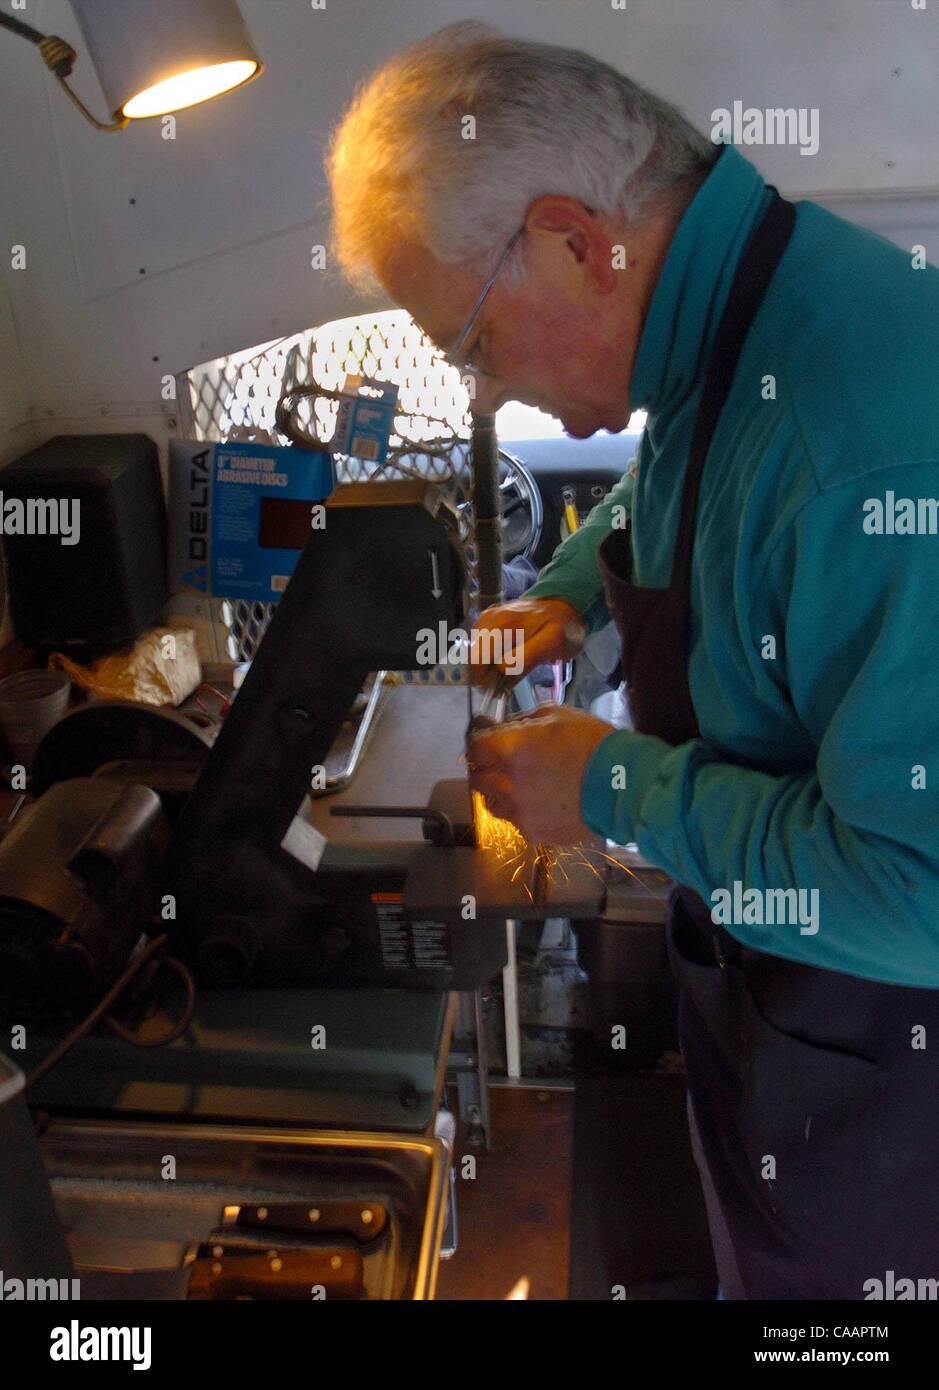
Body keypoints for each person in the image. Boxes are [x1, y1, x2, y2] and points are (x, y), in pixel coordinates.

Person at [328, 22, 939, 1299]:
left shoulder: (870, 454)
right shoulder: (742, 309)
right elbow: (690, 474)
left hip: (884, 1067)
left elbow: (915, 884)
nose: (483, 391)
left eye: (472, 344)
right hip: (782, 1012)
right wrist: (568, 603)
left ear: (574, 238)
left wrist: (611, 790)